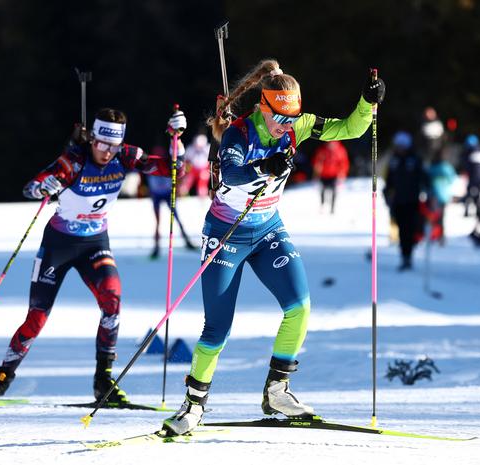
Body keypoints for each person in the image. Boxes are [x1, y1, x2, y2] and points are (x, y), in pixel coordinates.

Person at [161, 59, 385, 435]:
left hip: (267, 230)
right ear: (263, 107)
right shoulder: (238, 132)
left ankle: (277, 390)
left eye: (291, 116)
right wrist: (265, 165)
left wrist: (367, 102)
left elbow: (350, 128)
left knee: (300, 306)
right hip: (227, 233)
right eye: (279, 116)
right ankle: (193, 405)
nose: (286, 123)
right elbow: (231, 173)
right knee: (217, 327)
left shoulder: (298, 124)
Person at [0, 108, 187, 405]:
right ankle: (1, 380)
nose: (107, 152)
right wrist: (46, 186)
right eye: (101, 144)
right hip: (59, 245)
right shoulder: (73, 161)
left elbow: (174, 169)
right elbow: (31, 187)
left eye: (113, 145)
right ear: (92, 137)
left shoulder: (126, 156)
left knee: (112, 300)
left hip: (94, 243)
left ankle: (103, 381)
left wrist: (176, 138)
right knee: (37, 317)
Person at [383, 131, 427, 271]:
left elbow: (424, 177)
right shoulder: (394, 160)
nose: (399, 148)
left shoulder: (415, 159)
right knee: (402, 230)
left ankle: (410, 251)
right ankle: (405, 256)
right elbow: (389, 181)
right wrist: (386, 194)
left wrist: (428, 191)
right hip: (398, 201)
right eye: (398, 145)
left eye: (402, 145)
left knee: (412, 228)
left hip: (412, 200)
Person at [146, 146, 197, 259]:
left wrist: (177, 185)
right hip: (157, 196)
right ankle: (156, 248)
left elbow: (176, 177)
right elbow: (152, 183)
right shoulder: (150, 165)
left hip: (167, 195)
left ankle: (187, 241)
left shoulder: (166, 164)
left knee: (177, 218)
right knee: (157, 222)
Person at [426, 151, 457, 244]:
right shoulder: (447, 167)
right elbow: (452, 179)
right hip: (444, 195)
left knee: (433, 216)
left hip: (434, 195)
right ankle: (440, 236)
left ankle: (434, 235)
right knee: (441, 216)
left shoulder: (432, 168)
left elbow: (426, 180)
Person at [311, 140, 350, 214]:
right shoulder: (322, 150)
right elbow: (317, 161)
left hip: (335, 175)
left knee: (334, 191)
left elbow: (344, 163)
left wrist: (342, 174)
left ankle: (332, 208)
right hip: (323, 174)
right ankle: (322, 205)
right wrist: (316, 172)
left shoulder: (340, 150)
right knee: (322, 190)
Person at [461, 134, 480, 217]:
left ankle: (467, 211)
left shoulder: (469, 152)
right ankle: (478, 211)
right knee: (478, 193)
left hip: (473, 176)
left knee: (469, 192)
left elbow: (467, 165)